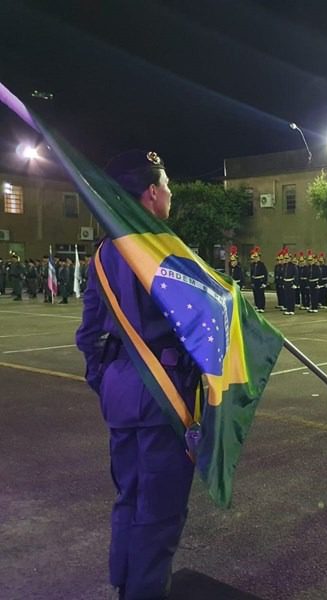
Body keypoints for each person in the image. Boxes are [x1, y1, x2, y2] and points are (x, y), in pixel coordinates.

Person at [75, 150, 200, 598]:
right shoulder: (163, 249)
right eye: (165, 185)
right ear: (150, 192)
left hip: (121, 393)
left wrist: (106, 382)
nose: (169, 193)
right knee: (160, 510)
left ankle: (126, 585)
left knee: (128, 498)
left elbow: (89, 334)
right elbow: (202, 327)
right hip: (162, 393)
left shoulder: (105, 252)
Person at [249, 246, 268, 312]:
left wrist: (264, 283)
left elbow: (265, 274)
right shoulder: (252, 265)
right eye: (254, 257)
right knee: (256, 294)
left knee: (261, 294)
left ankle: (261, 307)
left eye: (256, 257)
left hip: (260, 280)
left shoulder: (262, 264)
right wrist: (252, 282)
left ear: (259, 257)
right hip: (255, 280)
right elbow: (252, 274)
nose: (255, 258)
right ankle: (257, 305)